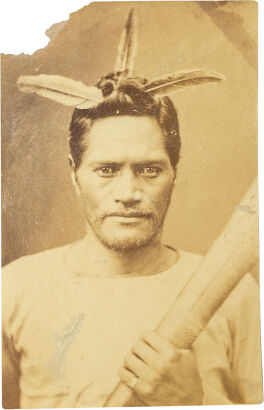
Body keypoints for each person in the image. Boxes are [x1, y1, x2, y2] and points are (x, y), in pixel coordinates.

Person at [2, 9, 262, 409]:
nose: (129, 192)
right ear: (74, 174)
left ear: (175, 172)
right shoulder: (15, 290)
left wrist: (191, 404)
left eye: (149, 169)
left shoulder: (239, 296)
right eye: (106, 170)